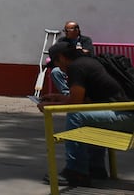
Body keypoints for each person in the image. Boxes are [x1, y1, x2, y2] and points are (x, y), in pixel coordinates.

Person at [39, 41, 133, 187]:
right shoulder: (87, 62)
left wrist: (48, 107)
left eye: (57, 64)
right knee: (87, 115)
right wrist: (58, 98)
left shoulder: (76, 67)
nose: (59, 69)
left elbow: (75, 104)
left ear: (62, 58)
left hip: (126, 115)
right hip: (125, 112)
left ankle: (76, 172)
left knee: (76, 115)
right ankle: (95, 167)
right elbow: (85, 99)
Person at [50, 21, 94, 94]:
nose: (66, 33)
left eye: (68, 31)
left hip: (81, 66)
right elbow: (57, 53)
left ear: (76, 30)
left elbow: (89, 53)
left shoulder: (85, 40)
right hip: (65, 66)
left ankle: (83, 95)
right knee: (55, 71)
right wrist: (79, 51)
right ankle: (67, 93)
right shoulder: (62, 40)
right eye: (65, 31)